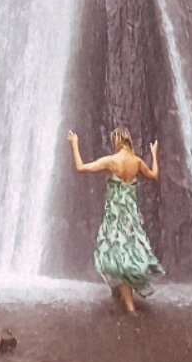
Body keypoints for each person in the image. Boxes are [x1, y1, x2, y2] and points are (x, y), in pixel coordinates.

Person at [67, 125, 164, 314]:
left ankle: (130, 307)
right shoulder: (136, 161)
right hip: (131, 216)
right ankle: (120, 295)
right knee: (129, 251)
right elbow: (154, 175)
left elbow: (81, 167)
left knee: (116, 255)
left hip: (115, 216)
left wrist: (75, 144)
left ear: (119, 140)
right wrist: (154, 154)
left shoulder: (112, 161)